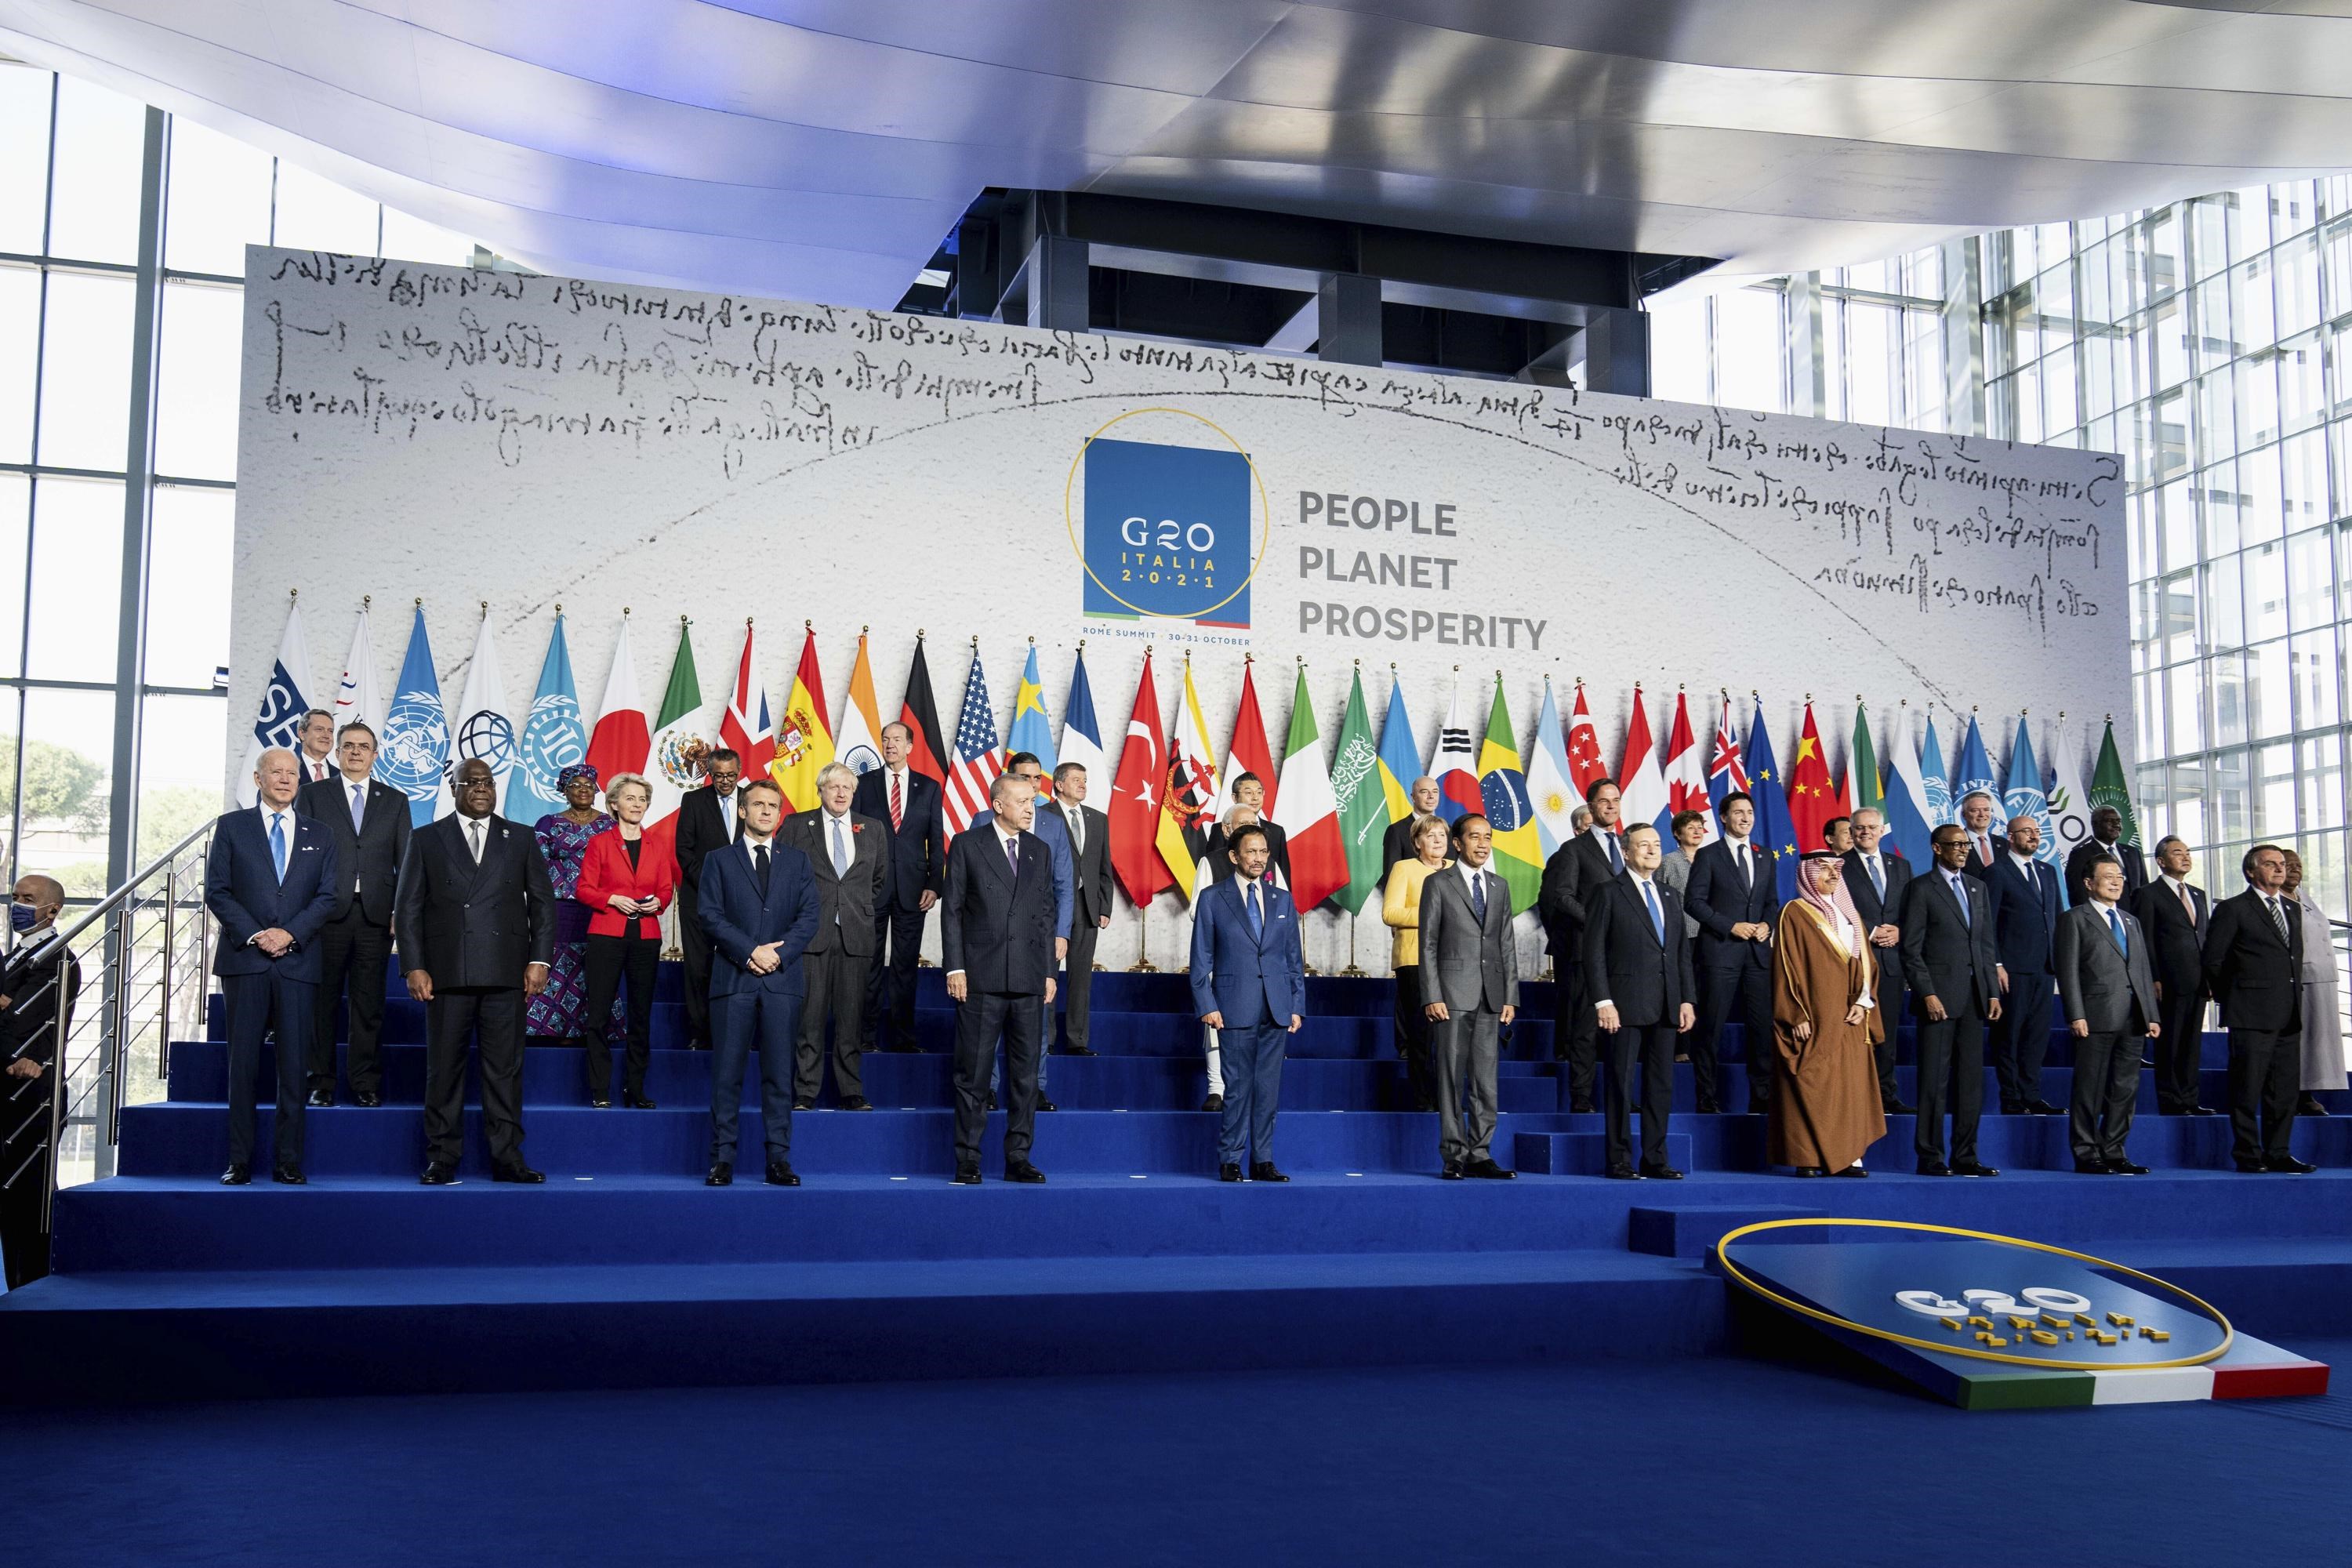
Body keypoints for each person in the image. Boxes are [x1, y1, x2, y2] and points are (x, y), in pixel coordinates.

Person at [395, 756, 557, 1185]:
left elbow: (542, 904)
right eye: (472, 782)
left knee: (504, 1071)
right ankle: (442, 1159)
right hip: (447, 974)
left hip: (506, 973)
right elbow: (407, 908)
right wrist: (413, 965)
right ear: (455, 788)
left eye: (488, 782)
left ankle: (507, 1159)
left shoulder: (520, 837)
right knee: (443, 1071)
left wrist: (539, 960)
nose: (482, 788)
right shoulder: (427, 837)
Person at [207, 747, 339, 1185]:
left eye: (292, 773)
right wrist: (259, 934)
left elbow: (328, 897)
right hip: (246, 960)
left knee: (294, 1067)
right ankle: (239, 1161)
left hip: (298, 962)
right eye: (276, 772)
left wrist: (289, 934)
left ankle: (288, 1160)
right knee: (241, 1066)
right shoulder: (232, 827)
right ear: (258, 779)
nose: (285, 779)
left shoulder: (321, 833)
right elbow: (218, 891)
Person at [698, 779, 820, 1186]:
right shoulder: (718, 859)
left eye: (773, 805)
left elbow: (809, 919)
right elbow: (710, 916)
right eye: (759, 805)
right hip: (734, 980)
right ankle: (722, 1160)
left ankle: (778, 1161)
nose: (767, 811)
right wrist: (751, 951)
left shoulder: (798, 861)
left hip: (782, 983)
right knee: (727, 1075)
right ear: (742, 811)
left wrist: (777, 955)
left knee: (779, 1075)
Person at [942, 773, 1059, 1185]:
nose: (1031, 808)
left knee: (1026, 1078)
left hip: (1028, 979)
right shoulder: (967, 845)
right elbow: (952, 910)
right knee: (973, 1076)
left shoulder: (1039, 851)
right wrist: (955, 967)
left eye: (1033, 801)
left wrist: (1048, 971)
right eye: (1023, 800)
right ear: (998, 804)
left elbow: (1046, 916)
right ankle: (968, 1159)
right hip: (981, 979)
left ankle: (1018, 1158)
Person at [296, 720, 410, 1107]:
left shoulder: (394, 800)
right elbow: (300, 858)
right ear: (337, 752)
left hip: (376, 915)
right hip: (326, 913)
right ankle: (320, 1083)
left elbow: (406, 862)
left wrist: (401, 910)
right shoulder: (312, 795)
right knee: (322, 1003)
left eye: (364, 746)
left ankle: (364, 1082)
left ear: (375, 755)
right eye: (348, 746)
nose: (356, 752)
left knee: (368, 1003)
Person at [1191, 822, 1305, 1181]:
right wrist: (1207, 1004)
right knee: (1237, 1089)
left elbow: (1293, 960)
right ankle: (1230, 1159)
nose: (1258, 858)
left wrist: (1297, 1005)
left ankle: (1263, 1160)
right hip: (1232, 1007)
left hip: (1277, 1008)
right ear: (1234, 856)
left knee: (1267, 1091)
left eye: (1263, 852)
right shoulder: (1212, 897)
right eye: (1251, 852)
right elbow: (1200, 959)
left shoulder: (1282, 899)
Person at [1584, 822, 1697, 1180]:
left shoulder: (1669, 895)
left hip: (1666, 1004)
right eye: (1643, 845)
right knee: (1619, 1084)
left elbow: (1679, 955)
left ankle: (1655, 1158)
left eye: (1656, 844)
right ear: (1626, 851)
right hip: (1623, 1004)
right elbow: (1594, 953)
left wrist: (1686, 1000)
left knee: (1660, 1085)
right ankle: (1619, 1159)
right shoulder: (1608, 892)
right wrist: (1603, 1001)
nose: (1652, 850)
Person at [1769, 851, 1883, 1178]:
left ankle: (1848, 1156)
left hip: (1849, 1018)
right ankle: (1808, 1157)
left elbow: (1867, 964)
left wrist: (1863, 1003)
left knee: (1848, 1086)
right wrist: (1796, 1014)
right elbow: (1785, 967)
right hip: (1813, 1015)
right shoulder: (1794, 912)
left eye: (1837, 869)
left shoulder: (1850, 915)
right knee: (1810, 1082)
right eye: (1825, 870)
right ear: (1807, 874)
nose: (1833, 875)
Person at [781, 762, 887, 1111]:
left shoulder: (872, 829)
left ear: (854, 793)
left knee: (851, 1018)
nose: (841, 793)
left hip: (856, 934)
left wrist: (854, 909)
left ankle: (851, 1090)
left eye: (847, 788)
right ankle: (806, 1092)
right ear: (820, 790)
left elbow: (878, 880)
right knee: (809, 1018)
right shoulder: (797, 825)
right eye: (834, 787)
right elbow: (783, 877)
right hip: (811, 935)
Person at [1898, 825, 2002, 1177]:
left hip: (1974, 999)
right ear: (1937, 849)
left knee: (1971, 1083)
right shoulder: (1921, 889)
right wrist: (1927, 992)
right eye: (1955, 845)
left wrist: (1991, 990)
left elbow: (1985, 945)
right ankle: (1930, 1157)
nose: (1963, 850)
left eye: (1966, 844)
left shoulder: (1978, 887)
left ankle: (1966, 1156)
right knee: (1933, 1081)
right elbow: (1911, 949)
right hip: (1938, 1000)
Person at [1421, 813, 1521, 1179]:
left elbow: (1506, 945)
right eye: (1475, 837)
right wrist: (1432, 994)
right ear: (1458, 844)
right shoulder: (1438, 883)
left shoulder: (1500, 886)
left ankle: (1480, 1154)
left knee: (1486, 1081)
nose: (1483, 844)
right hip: (1450, 996)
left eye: (1488, 837)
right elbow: (1428, 944)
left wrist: (1510, 995)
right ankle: (1454, 1154)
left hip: (1491, 997)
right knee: (1450, 1078)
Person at [2204, 844, 2312, 1174]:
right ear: (2251, 871)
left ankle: (2279, 1152)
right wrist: (2235, 998)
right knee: (2247, 1089)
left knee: (2284, 1093)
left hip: (2288, 1014)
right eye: (2270, 864)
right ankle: (2249, 1155)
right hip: (2249, 1014)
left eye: (2281, 864)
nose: (2280, 869)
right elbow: (2213, 960)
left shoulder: (2293, 909)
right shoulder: (2234, 909)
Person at [2054, 856, 2159, 1175]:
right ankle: (2087, 1153)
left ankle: (2115, 1151)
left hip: (2134, 1017)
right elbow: (2068, 971)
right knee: (2090, 1087)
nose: (2116, 881)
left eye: (2120, 876)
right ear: (2089, 883)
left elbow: (2141, 969)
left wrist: (2151, 1014)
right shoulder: (2074, 919)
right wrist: (2075, 1014)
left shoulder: (2131, 920)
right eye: (2108, 876)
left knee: (2125, 1088)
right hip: (2095, 1015)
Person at [575, 772, 673, 1109]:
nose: (637, 804)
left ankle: (635, 1088)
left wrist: (659, 903)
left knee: (641, 1015)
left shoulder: (657, 845)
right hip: (606, 935)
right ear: (614, 804)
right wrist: (613, 899)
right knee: (599, 1015)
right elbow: (583, 890)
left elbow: (665, 889)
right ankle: (600, 1089)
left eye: (642, 799)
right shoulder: (599, 843)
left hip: (646, 938)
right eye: (630, 798)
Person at [0, 876, 78, 1287]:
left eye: (28, 899)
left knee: (28, 1201)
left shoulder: (57, 959)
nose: (18, 905)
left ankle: (33, 1294)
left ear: (52, 910)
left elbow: (21, 1023)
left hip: (33, 1098)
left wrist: (6, 1007)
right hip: (8, 1088)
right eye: (15, 897)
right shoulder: (12, 958)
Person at [854, 721, 948, 1054]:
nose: (890, 744)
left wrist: (935, 885)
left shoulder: (929, 787)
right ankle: (864, 1037)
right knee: (869, 964)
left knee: (906, 967)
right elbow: (855, 836)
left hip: (913, 891)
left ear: (910, 746)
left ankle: (904, 1038)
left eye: (897, 739)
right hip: (870, 889)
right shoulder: (863, 784)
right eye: (885, 739)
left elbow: (936, 840)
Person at [1684, 790, 1779, 1115]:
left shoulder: (1765, 855)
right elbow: (1693, 903)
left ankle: (1762, 1098)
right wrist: (1730, 926)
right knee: (1710, 1029)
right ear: (1723, 818)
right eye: (1738, 812)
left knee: (1761, 1030)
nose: (1745, 817)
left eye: (1749, 812)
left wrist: (1767, 924)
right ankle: (1706, 1098)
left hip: (1756, 957)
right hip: (1720, 954)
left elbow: (1771, 902)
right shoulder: (1709, 855)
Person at [1537, 777, 1625, 1112]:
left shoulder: (1627, 846)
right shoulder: (1573, 850)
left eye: (1616, 800)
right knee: (1585, 1031)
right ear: (1591, 806)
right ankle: (1582, 1097)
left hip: (1623, 955)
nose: (1611, 806)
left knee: (1623, 1033)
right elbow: (1561, 897)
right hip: (1587, 953)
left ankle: (1621, 1097)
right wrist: (1598, 921)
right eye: (1604, 801)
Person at [526, 764, 623, 1047]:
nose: (583, 790)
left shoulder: (610, 824)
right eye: (576, 785)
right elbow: (536, 867)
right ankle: (551, 1028)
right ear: (564, 790)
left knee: (595, 966)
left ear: (596, 790)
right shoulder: (548, 823)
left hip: (600, 907)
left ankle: (592, 1028)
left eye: (589, 785)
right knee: (556, 965)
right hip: (560, 908)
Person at [1983, 816, 2063, 1116]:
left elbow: (2056, 917)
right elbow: (1987, 922)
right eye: (2027, 832)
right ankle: (2011, 1096)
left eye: (2037, 831)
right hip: (2012, 968)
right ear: (2011, 837)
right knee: (2010, 1034)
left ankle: (2031, 1094)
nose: (2034, 836)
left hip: (2045, 967)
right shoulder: (1997, 872)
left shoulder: (2048, 871)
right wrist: (1997, 963)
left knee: (2037, 1035)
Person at [2133, 835, 2215, 1116]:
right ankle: (2171, 1100)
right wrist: (2153, 977)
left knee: (2192, 1043)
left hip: (2198, 980)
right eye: (2178, 852)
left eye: (2188, 851)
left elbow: (2203, 938)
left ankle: (2190, 1099)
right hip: (2167, 981)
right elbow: (2145, 940)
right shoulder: (2148, 894)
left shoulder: (2198, 894)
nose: (2186, 857)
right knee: (2170, 1042)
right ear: (2161, 861)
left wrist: (2211, 977)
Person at [1841, 806, 1914, 1113]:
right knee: (1854, 1033)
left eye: (1872, 827)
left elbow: (1912, 909)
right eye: (1859, 828)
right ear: (1852, 832)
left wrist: (1900, 930)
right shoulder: (1838, 866)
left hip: (1893, 962)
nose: (1866, 832)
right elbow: (1835, 909)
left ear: (1882, 831)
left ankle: (1886, 1095)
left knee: (1889, 1033)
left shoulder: (1901, 866)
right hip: (1855, 961)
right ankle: (1855, 1094)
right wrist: (1870, 931)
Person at [673, 747, 746, 1051]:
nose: (725, 781)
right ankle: (700, 1033)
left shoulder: (752, 798)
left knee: (738, 965)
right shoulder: (693, 801)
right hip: (699, 899)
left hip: (743, 901)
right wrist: (714, 883)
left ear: (739, 772)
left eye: (730, 775)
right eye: (719, 776)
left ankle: (736, 1033)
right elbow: (684, 851)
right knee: (698, 968)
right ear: (710, 774)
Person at [1381, 814, 1451, 1112]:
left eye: (1443, 835)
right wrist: (1431, 918)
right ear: (1417, 842)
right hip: (1414, 960)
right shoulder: (1404, 868)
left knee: (1450, 1038)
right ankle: (1423, 1100)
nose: (1438, 841)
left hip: (1453, 961)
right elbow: (1390, 913)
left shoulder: (1456, 869)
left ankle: (1448, 1099)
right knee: (1421, 1036)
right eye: (1431, 835)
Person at [1047, 761, 1111, 1057]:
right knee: (1047, 973)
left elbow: (1103, 866)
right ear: (1059, 784)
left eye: (1085, 779)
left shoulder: (1098, 819)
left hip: (1087, 907)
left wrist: (1105, 906)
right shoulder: (1042, 816)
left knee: (1081, 977)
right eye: (1076, 779)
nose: (1083, 784)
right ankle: (1045, 1039)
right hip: (1052, 908)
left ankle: (1076, 1040)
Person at [2283, 850, 2343, 1117]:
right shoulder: (2277, 901)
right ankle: (2298, 1094)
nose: (2296, 869)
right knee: (2303, 1039)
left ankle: (2310, 1090)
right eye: (2289, 864)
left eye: (2299, 865)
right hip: (2301, 979)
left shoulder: (2304, 897)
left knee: (2319, 1040)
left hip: (2323, 978)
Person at [1205, 771, 1292, 888]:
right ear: (1235, 798)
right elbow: (1212, 869)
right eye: (1249, 793)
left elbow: (1283, 876)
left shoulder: (1277, 832)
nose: (1255, 798)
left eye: (1259, 792)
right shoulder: (1219, 830)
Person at [2066, 807, 2150, 907]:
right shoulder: (2080, 855)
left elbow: (2144, 888)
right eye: (2110, 821)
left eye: (2118, 821)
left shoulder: (2133, 852)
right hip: (2101, 917)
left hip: (2134, 918)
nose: (2116, 825)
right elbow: (2078, 893)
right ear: (2095, 824)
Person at [1381, 776, 1444, 887]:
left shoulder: (1449, 830)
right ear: (1413, 797)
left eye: (1435, 792)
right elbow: (1391, 877)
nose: (1431, 796)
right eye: (1424, 792)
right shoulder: (1396, 831)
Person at [1655, 810, 1707, 941]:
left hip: (1712, 932)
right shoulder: (1667, 862)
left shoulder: (1712, 859)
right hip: (1684, 933)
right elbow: (1659, 898)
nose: (1697, 831)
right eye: (1691, 828)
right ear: (1677, 833)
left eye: (1700, 827)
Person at [1958, 790, 2000, 870]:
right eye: (1975, 810)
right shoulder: (1955, 844)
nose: (1982, 814)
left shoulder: (2004, 844)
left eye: (1986, 810)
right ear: (1964, 815)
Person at [296, 709, 336, 784]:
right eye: (319, 729)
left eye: (330, 731)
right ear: (302, 734)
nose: (327, 736)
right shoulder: (289, 771)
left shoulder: (341, 775)